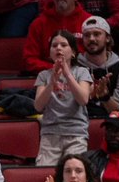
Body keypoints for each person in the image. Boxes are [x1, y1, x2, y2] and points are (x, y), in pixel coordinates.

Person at [34, 30, 92, 167]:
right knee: (45, 173)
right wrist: (52, 81)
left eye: (63, 45)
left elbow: (83, 99)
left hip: (76, 134)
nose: (58, 48)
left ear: (73, 52)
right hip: (50, 134)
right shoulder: (43, 75)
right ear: (50, 53)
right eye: (54, 45)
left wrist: (67, 73)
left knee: (73, 174)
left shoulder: (82, 72)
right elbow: (38, 106)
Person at [23, 0, 89, 73]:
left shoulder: (89, 22)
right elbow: (29, 60)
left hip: (81, 77)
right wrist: (55, 68)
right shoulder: (38, 24)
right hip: (48, 77)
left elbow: (97, 56)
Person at [78, 16, 119, 118]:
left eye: (97, 34)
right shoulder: (74, 68)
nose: (91, 39)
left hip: (112, 126)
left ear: (107, 38)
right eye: (87, 35)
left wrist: (105, 98)